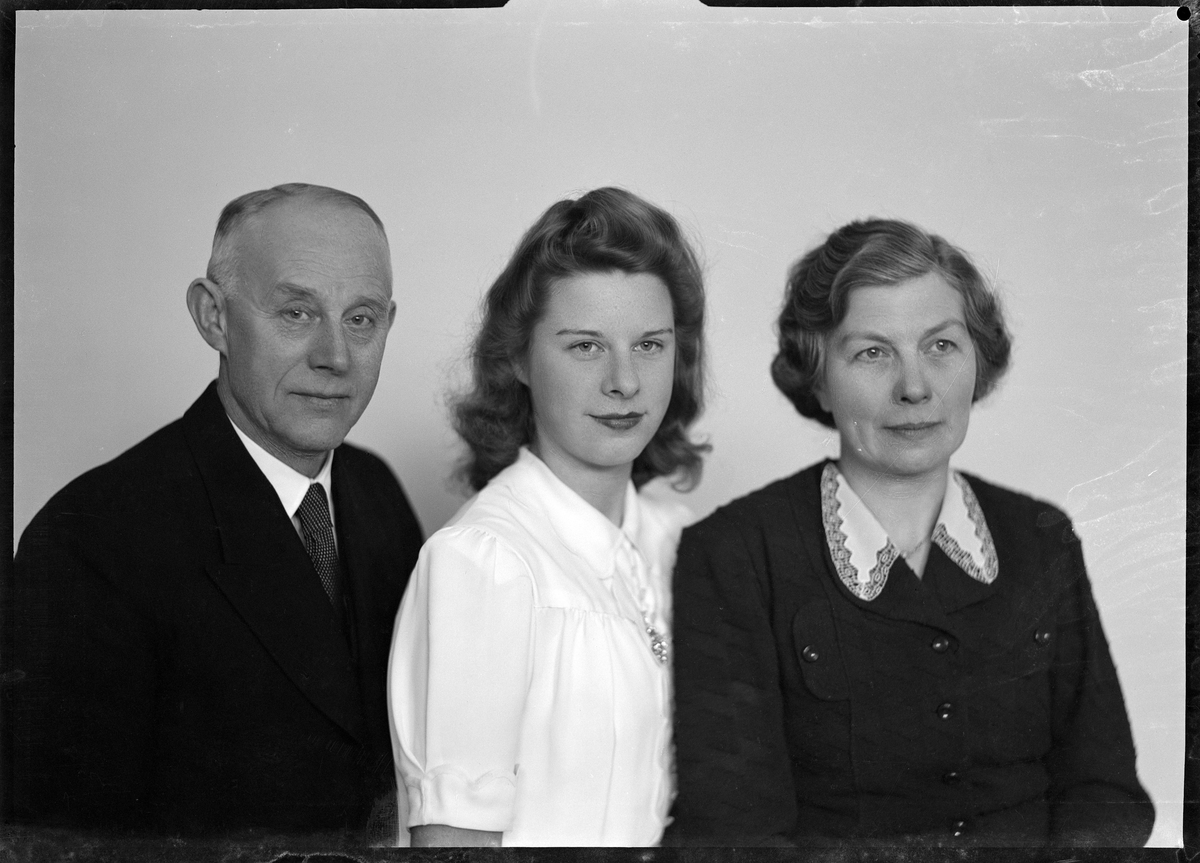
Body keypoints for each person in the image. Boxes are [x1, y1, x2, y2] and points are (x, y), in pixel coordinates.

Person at [667, 218, 1154, 847]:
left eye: (941, 345)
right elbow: (735, 834)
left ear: (978, 361)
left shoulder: (1040, 538)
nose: (915, 387)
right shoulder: (735, 553)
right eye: (873, 353)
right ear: (818, 375)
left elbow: (1104, 792)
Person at [3, 183, 424, 837]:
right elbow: (60, 839)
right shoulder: (91, 540)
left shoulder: (377, 493)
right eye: (296, 313)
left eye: (361, 319)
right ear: (214, 318)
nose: (335, 357)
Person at [387, 187, 708, 847]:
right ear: (517, 357)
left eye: (650, 345)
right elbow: (454, 845)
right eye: (586, 346)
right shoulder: (483, 561)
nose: (625, 381)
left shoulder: (679, 540)